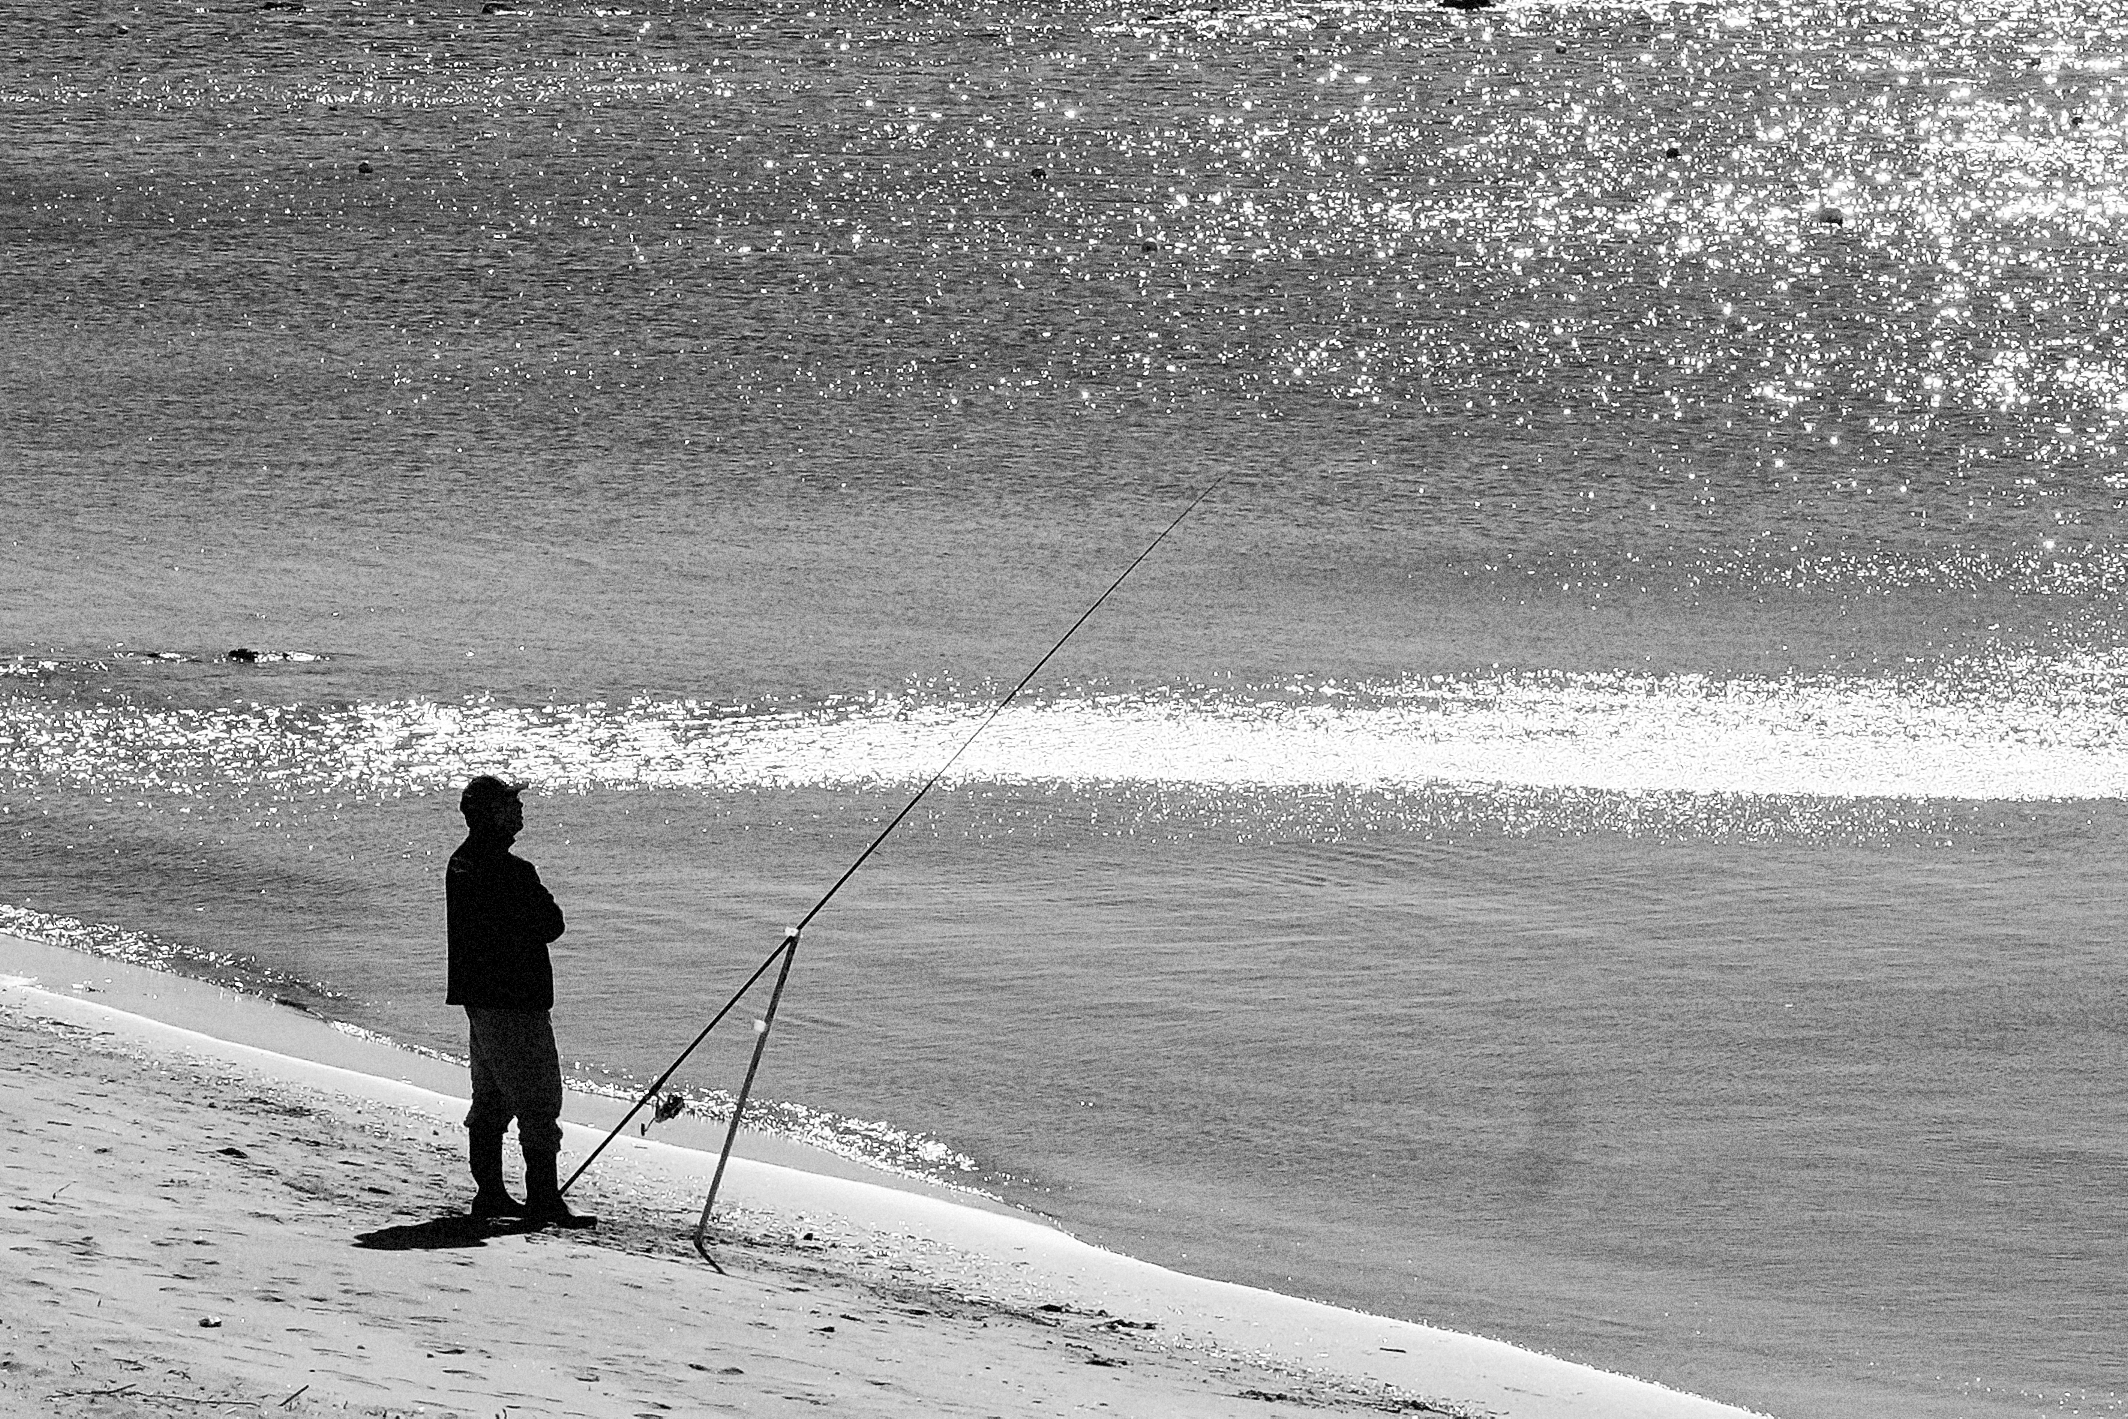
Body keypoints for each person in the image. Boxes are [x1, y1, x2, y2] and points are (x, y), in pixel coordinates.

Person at [445, 774, 595, 1229]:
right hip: (514, 1001)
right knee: (538, 1100)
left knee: (491, 1097)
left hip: (481, 998)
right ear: (491, 815)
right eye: (510, 804)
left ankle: (490, 1194)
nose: (519, 810)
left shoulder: (462, 863)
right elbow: (551, 923)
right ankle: (543, 1200)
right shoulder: (510, 870)